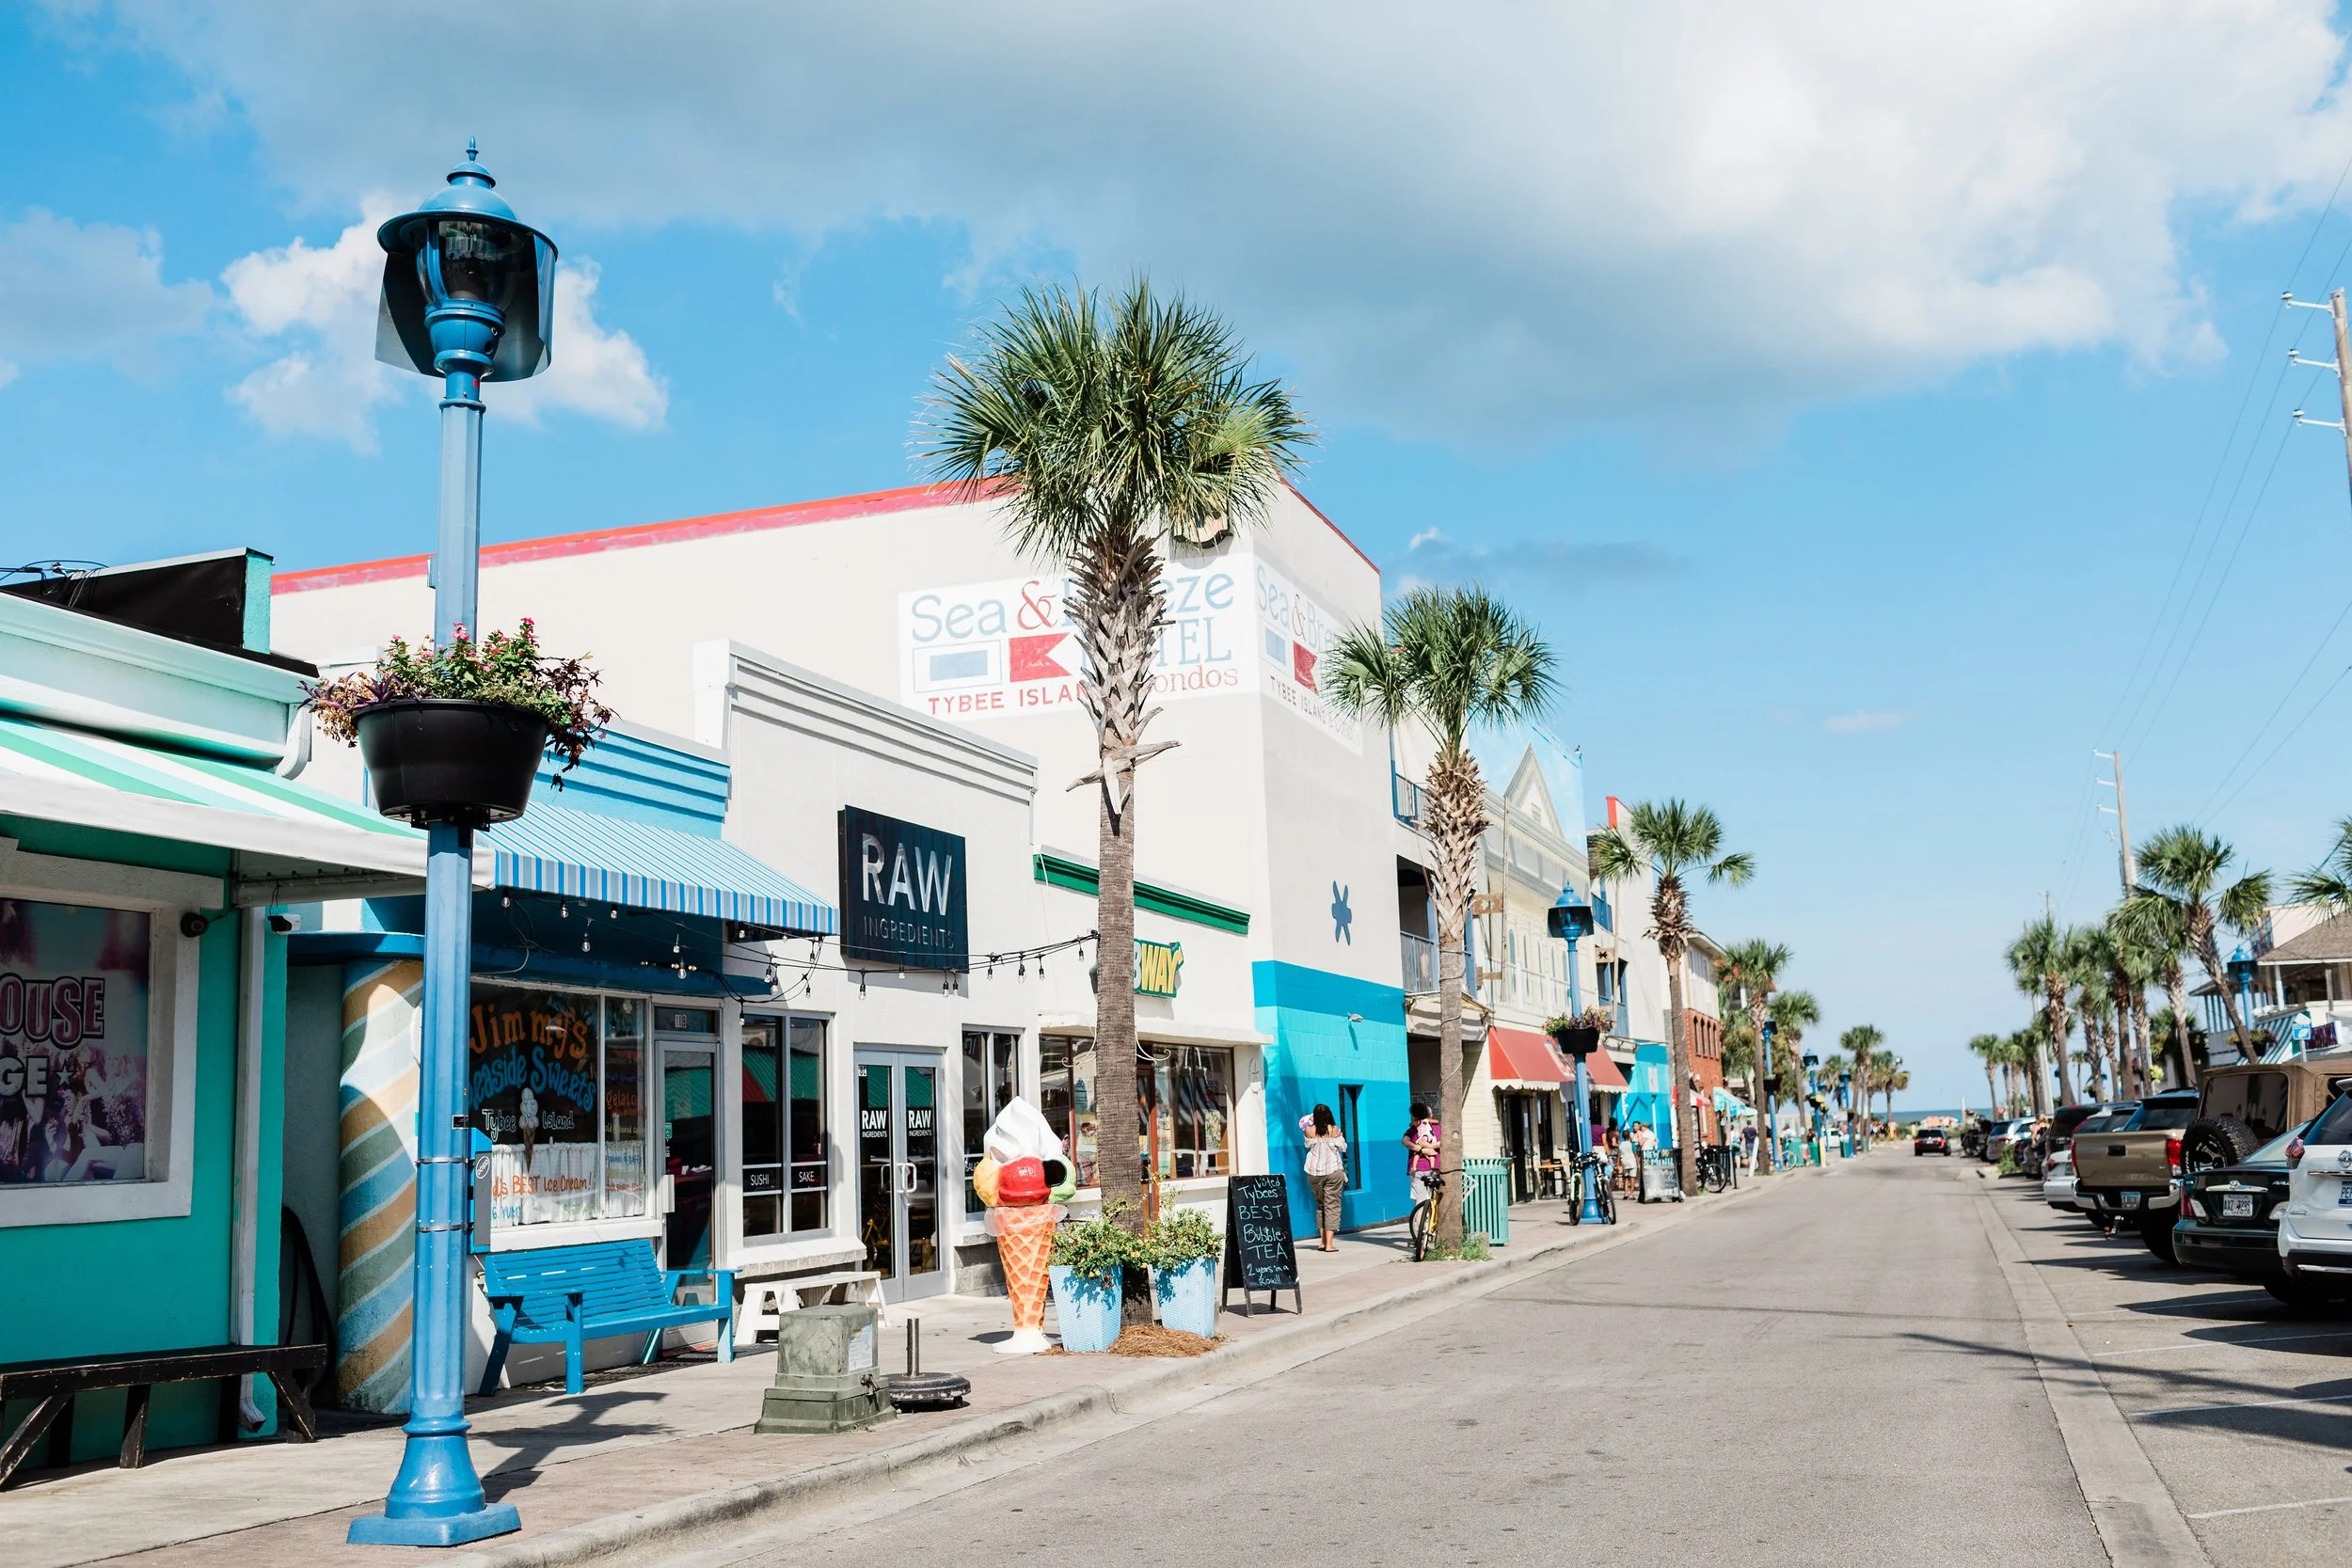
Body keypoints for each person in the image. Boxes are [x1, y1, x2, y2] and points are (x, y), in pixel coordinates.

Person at [1301, 1102, 1348, 1252]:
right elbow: (1343, 1147)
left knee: (1320, 1205)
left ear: (1314, 1117)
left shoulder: (1308, 1131)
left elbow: (1307, 1145)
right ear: (1329, 1115)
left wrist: (1310, 1121)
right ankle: (1329, 1244)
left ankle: (1322, 1242)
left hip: (1314, 1172)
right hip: (1333, 1171)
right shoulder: (1334, 1130)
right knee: (1332, 1206)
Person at [1403, 1101, 1441, 1209]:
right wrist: (1429, 1147)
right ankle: (1430, 1223)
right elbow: (1443, 1143)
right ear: (1430, 1116)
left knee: (1420, 1201)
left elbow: (1405, 1142)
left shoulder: (1413, 1129)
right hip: (1434, 1168)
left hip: (1417, 1169)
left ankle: (1420, 1224)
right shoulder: (1438, 1129)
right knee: (1433, 1200)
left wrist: (1421, 1148)